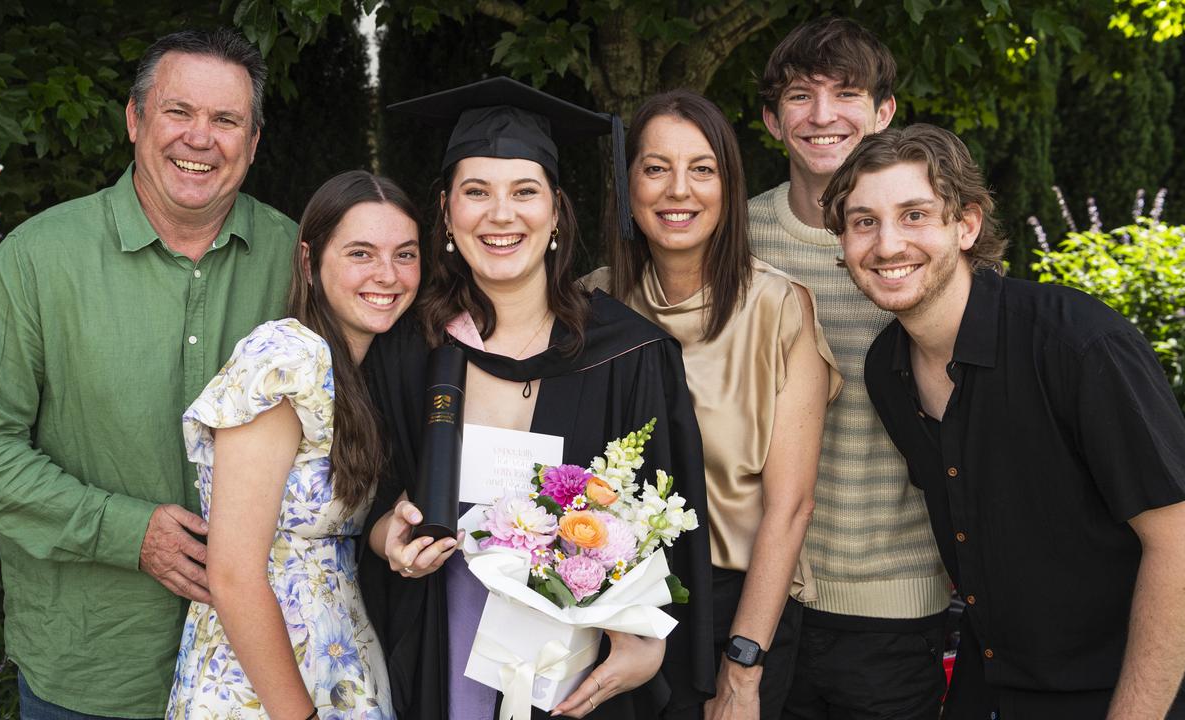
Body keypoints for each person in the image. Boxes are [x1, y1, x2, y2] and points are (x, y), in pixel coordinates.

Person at [0, 29, 298, 718]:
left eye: (226, 121)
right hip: (93, 664)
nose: (201, 138)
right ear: (135, 121)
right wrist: (124, 532)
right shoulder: (39, 259)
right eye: (178, 112)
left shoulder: (298, 259)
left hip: (262, 658)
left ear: (253, 143)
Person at [823, 122, 1185, 719]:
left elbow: (1184, 540)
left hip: (1130, 693)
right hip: (1000, 685)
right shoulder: (886, 368)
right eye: (864, 222)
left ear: (967, 225)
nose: (886, 245)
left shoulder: (1077, 345)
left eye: (914, 215)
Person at [358, 76, 714, 720]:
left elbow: (671, 543)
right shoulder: (404, 352)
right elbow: (364, 500)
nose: (501, 214)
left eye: (525, 192)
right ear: (444, 212)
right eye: (476, 193)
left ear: (556, 211)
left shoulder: (630, 356)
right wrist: (389, 536)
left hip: (579, 679)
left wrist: (651, 646)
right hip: (437, 654)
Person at [582, 90, 840, 720]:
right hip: (603, 605)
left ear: (729, 185)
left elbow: (791, 505)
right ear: (627, 184)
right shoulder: (587, 304)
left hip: (737, 609)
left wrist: (743, 668)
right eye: (655, 168)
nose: (679, 190)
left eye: (703, 169)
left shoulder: (780, 308)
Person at [747, 17, 951, 718]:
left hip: (893, 605)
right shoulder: (733, 241)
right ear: (772, 120)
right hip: (756, 598)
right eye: (801, 96)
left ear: (884, 112)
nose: (823, 115)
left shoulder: (924, 251)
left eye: (847, 94)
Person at [165, 170, 417, 718]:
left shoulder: (362, 371)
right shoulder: (286, 359)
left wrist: (388, 534)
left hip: (338, 661)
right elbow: (232, 574)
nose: (387, 274)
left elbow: (329, 531)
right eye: (360, 253)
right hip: (260, 682)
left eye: (405, 254)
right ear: (309, 261)